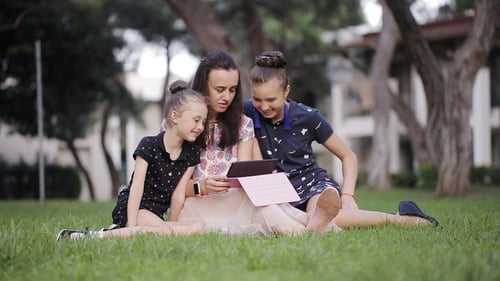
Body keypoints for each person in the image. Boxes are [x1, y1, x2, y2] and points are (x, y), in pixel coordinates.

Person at [244, 50, 439, 229]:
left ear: (286, 91)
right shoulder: (247, 111)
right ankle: (399, 216)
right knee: (305, 222)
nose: (263, 106)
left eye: (271, 100)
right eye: (257, 99)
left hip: (313, 185)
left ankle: (402, 220)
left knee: (323, 219)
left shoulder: (308, 117)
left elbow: (348, 156)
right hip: (277, 193)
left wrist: (348, 196)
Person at [172, 50, 341, 235]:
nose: (227, 97)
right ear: (203, 86)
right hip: (198, 204)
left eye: (232, 90)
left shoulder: (242, 124)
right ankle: (310, 226)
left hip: (237, 201)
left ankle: (308, 223)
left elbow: (246, 174)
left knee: (264, 207)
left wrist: (271, 181)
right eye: (220, 89)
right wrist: (201, 186)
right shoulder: (183, 123)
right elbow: (171, 183)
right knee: (263, 210)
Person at [56, 80, 208, 240]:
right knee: (167, 231)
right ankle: (82, 236)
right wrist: (133, 224)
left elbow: (178, 194)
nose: (200, 127)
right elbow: (137, 187)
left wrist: (170, 225)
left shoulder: (191, 153)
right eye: (196, 120)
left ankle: (122, 232)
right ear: (175, 116)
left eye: (203, 122)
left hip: (154, 216)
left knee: (198, 227)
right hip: (133, 208)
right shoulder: (149, 145)